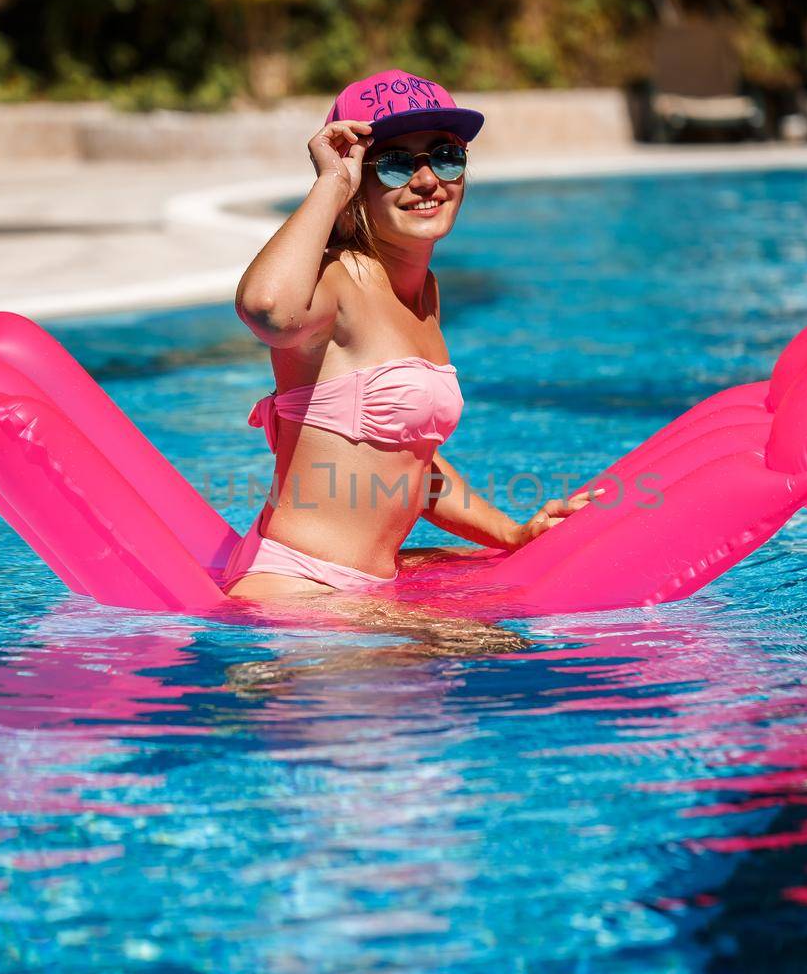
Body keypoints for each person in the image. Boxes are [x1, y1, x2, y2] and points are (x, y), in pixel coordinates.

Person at [223, 70, 599, 602]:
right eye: (397, 163)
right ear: (360, 183)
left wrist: (512, 534)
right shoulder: (337, 281)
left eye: (446, 155)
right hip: (296, 588)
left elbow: (411, 465)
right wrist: (331, 183)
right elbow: (266, 310)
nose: (427, 181)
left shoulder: (425, 292)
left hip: (359, 591)